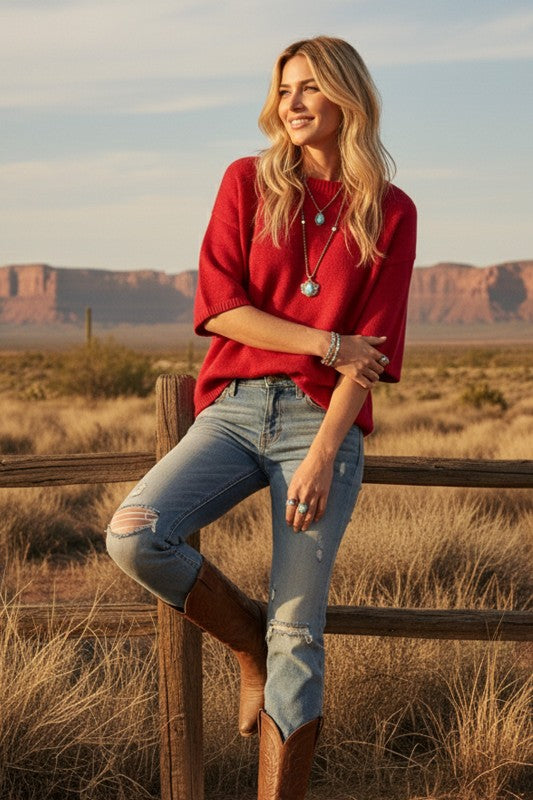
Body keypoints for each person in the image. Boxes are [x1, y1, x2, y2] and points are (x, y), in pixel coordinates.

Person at [106, 35, 416, 800]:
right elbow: (220, 310)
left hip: (320, 423)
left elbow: (371, 356)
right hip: (234, 410)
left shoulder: (390, 210)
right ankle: (247, 641)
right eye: (284, 90)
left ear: (347, 96)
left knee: (298, 635)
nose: (294, 103)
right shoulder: (247, 182)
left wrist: (324, 454)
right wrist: (325, 342)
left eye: (309, 87)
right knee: (135, 534)